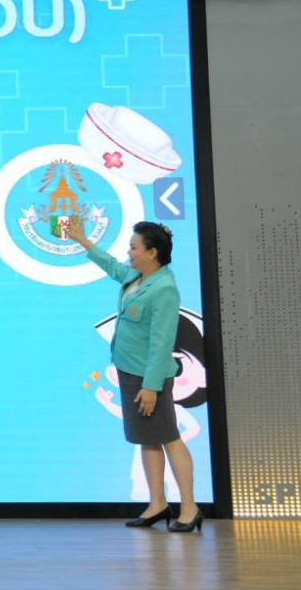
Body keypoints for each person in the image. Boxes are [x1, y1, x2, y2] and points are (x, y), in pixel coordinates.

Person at [66, 218, 202, 533]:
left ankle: (190, 509)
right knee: (147, 439)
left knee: (169, 438)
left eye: (133, 247)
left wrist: (151, 386)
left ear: (152, 253)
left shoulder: (164, 289)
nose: (129, 253)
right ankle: (157, 504)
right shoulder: (138, 278)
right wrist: (83, 240)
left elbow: (162, 342)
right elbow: (112, 266)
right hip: (130, 373)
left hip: (148, 377)